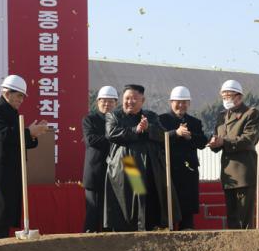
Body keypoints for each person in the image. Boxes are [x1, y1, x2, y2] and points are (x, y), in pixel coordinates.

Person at [0, 75, 49, 240]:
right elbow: (5, 135)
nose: (21, 99)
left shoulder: (11, 112)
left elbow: (17, 140)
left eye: (23, 96)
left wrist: (33, 135)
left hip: (9, 173)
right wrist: (29, 132)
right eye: (18, 95)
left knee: (4, 216)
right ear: (6, 93)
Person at [104, 84, 181, 231]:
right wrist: (136, 130)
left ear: (142, 100)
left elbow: (163, 135)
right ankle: (133, 228)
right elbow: (112, 133)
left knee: (150, 197)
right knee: (135, 197)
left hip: (150, 165)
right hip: (128, 163)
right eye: (127, 98)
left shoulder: (151, 116)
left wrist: (148, 129)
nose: (130, 102)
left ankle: (151, 227)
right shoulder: (114, 115)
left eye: (134, 98)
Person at [208, 80, 259, 229]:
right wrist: (213, 143)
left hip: (244, 171)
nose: (226, 100)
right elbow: (217, 137)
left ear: (239, 96)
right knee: (232, 218)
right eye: (223, 97)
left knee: (244, 218)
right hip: (228, 173)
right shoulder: (222, 116)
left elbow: (248, 139)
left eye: (229, 96)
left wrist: (223, 142)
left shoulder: (251, 113)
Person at [159, 86, 208, 230]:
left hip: (189, 168)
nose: (181, 105)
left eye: (184, 102)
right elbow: (159, 139)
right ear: (171, 102)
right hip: (169, 168)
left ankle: (187, 226)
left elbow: (202, 142)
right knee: (169, 200)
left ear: (189, 104)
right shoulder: (162, 119)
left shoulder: (195, 122)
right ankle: (168, 226)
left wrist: (190, 136)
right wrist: (176, 133)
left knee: (188, 199)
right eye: (178, 102)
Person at [81, 85, 118, 233]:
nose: (107, 104)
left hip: (114, 175)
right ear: (98, 102)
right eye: (104, 101)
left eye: (110, 101)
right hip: (95, 174)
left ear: (116, 103)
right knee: (93, 211)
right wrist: (114, 139)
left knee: (109, 215)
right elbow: (91, 140)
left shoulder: (118, 120)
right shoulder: (89, 119)